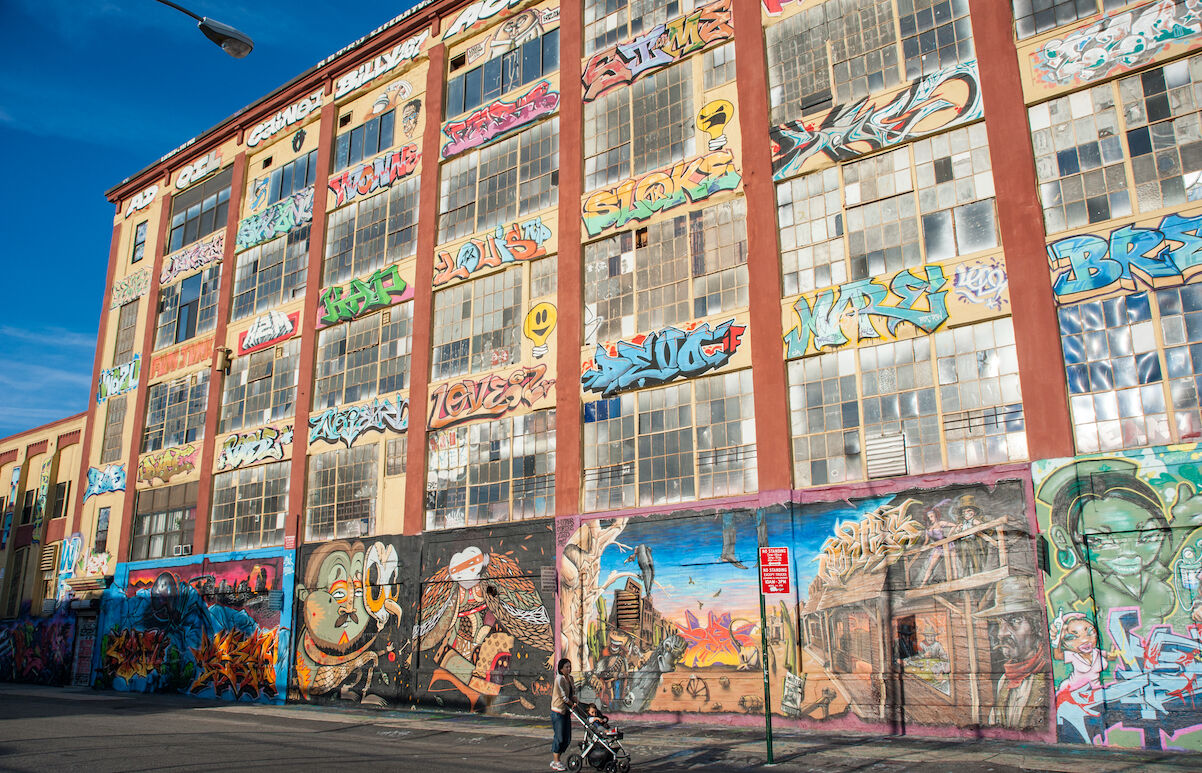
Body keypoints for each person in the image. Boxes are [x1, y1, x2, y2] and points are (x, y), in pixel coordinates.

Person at [550, 657, 576, 771]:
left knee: (567, 738)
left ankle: (557, 758)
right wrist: (571, 703)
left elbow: (573, 692)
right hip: (558, 711)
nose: (569, 669)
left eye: (570, 666)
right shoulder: (559, 679)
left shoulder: (570, 678)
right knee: (559, 737)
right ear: (561, 669)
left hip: (566, 711)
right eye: (566, 667)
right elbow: (563, 697)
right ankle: (556, 761)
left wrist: (576, 700)